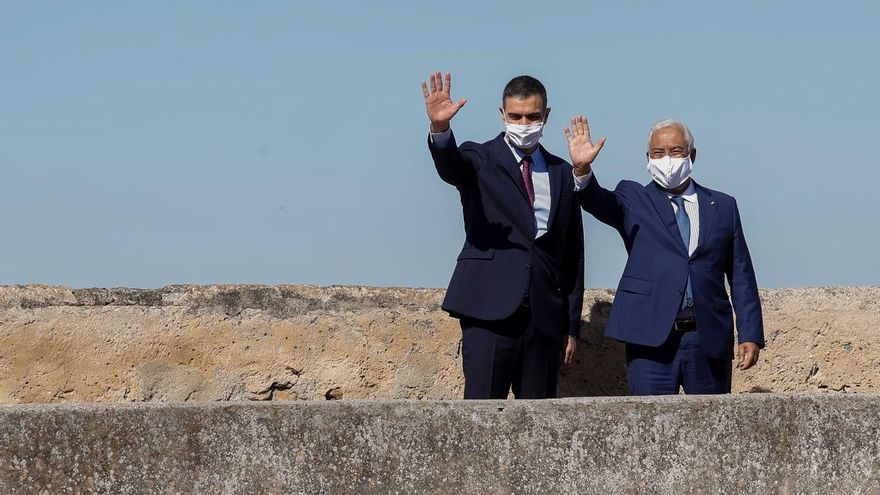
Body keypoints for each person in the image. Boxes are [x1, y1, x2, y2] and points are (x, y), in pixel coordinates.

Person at [563, 116, 764, 395]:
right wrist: (582, 169)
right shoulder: (633, 198)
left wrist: (750, 333)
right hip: (650, 337)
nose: (666, 159)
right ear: (648, 158)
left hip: (706, 336)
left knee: (709, 429)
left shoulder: (723, 206)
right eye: (658, 153)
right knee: (649, 430)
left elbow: (741, 275)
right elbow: (598, 201)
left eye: (675, 151)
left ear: (691, 155)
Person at [422, 72, 584, 399]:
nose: (524, 123)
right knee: (481, 419)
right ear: (502, 115)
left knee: (538, 427)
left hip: (543, 318)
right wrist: (440, 130)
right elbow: (451, 166)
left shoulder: (561, 172)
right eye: (516, 116)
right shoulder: (480, 158)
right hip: (488, 311)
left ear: (546, 116)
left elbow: (571, 254)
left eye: (532, 116)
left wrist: (570, 325)